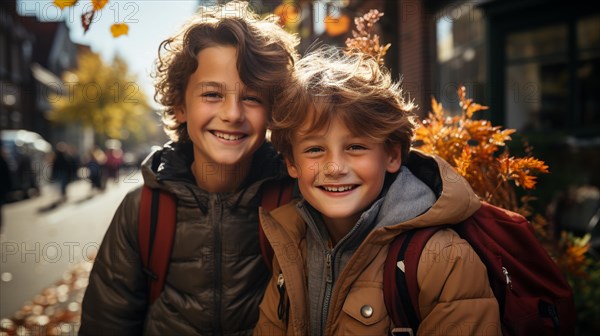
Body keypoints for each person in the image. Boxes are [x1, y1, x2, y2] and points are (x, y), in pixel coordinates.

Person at [80, 1, 298, 335]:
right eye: (212, 94)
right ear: (180, 106)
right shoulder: (143, 212)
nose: (233, 114)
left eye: (252, 97)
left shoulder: (294, 204)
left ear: (272, 110)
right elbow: (107, 322)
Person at [254, 49, 501, 335]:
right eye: (314, 149)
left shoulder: (443, 260)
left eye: (356, 147)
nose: (334, 167)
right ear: (292, 163)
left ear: (392, 156)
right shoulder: (290, 245)